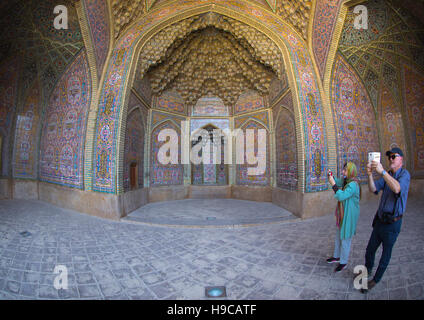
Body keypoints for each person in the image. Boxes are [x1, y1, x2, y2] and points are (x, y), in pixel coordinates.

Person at [361, 147, 410, 293]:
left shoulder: (405, 175)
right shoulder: (388, 174)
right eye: (389, 157)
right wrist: (370, 175)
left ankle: (375, 280)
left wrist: (382, 172)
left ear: (401, 158)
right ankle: (367, 271)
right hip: (380, 221)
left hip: (393, 223)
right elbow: (373, 189)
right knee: (370, 249)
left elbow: (397, 189)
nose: (390, 159)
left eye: (393, 157)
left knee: (385, 253)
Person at [326, 162, 361, 272]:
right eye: (343, 170)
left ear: (351, 171)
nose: (343, 172)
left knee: (345, 239)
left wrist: (333, 184)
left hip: (349, 216)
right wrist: (331, 177)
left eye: (345, 170)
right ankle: (337, 256)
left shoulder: (353, 185)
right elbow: (338, 181)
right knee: (338, 236)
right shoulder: (347, 181)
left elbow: (341, 196)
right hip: (342, 214)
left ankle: (343, 262)